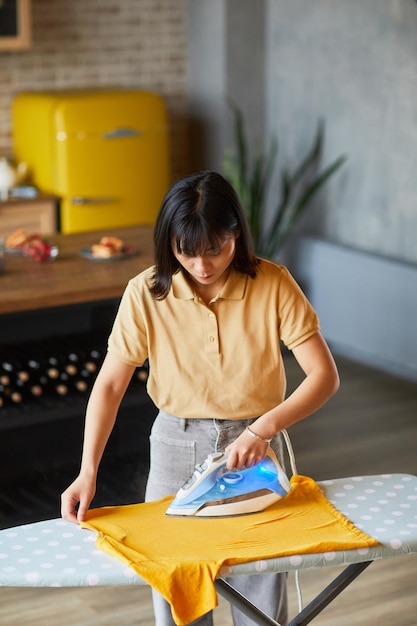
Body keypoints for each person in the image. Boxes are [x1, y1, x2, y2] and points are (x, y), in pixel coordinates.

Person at [61, 170, 339, 626]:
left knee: (261, 596)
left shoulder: (273, 283)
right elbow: (110, 385)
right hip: (175, 444)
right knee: (177, 598)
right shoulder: (146, 292)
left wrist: (262, 428)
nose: (203, 266)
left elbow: (324, 376)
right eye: (186, 252)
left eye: (216, 249)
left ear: (237, 235)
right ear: (168, 243)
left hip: (256, 447)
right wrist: (87, 470)